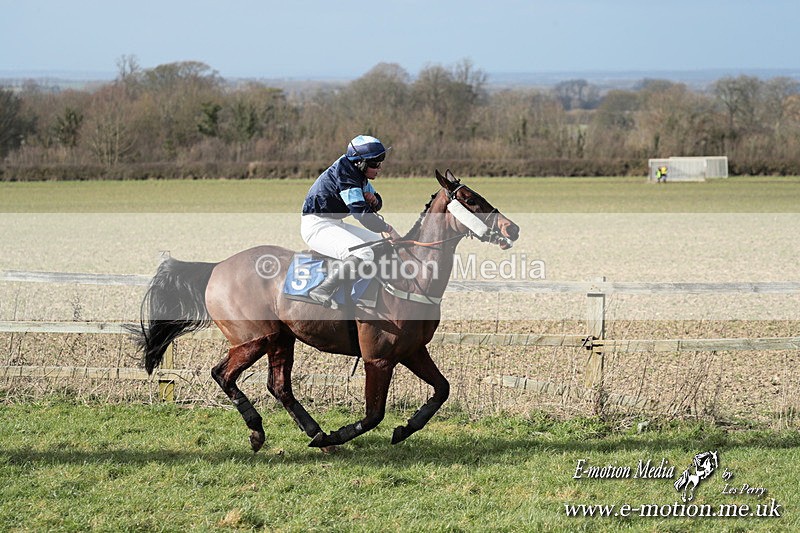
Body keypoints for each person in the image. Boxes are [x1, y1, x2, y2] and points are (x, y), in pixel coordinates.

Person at [300, 135, 401, 308]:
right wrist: (388, 228)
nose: (379, 168)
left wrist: (374, 200)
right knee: (364, 254)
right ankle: (323, 290)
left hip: (334, 223)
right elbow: (361, 214)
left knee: (381, 244)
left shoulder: (357, 172)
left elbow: (377, 202)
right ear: (360, 163)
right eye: (375, 164)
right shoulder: (346, 175)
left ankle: (371, 294)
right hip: (317, 226)